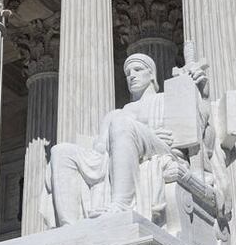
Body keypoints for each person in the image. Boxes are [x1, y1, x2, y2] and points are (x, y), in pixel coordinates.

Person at [46, 53, 207, 225]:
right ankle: (70, 225)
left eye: (138, 69)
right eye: (128, 73)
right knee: (60, 151)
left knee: (121, 124)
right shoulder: (116, 114)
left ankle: (122, 204)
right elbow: (99, 150)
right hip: (113, 153)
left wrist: (200, 92)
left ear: (152, 74)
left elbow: (200, 124)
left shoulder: (165, 100)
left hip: (161, 149)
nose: (132, 75)